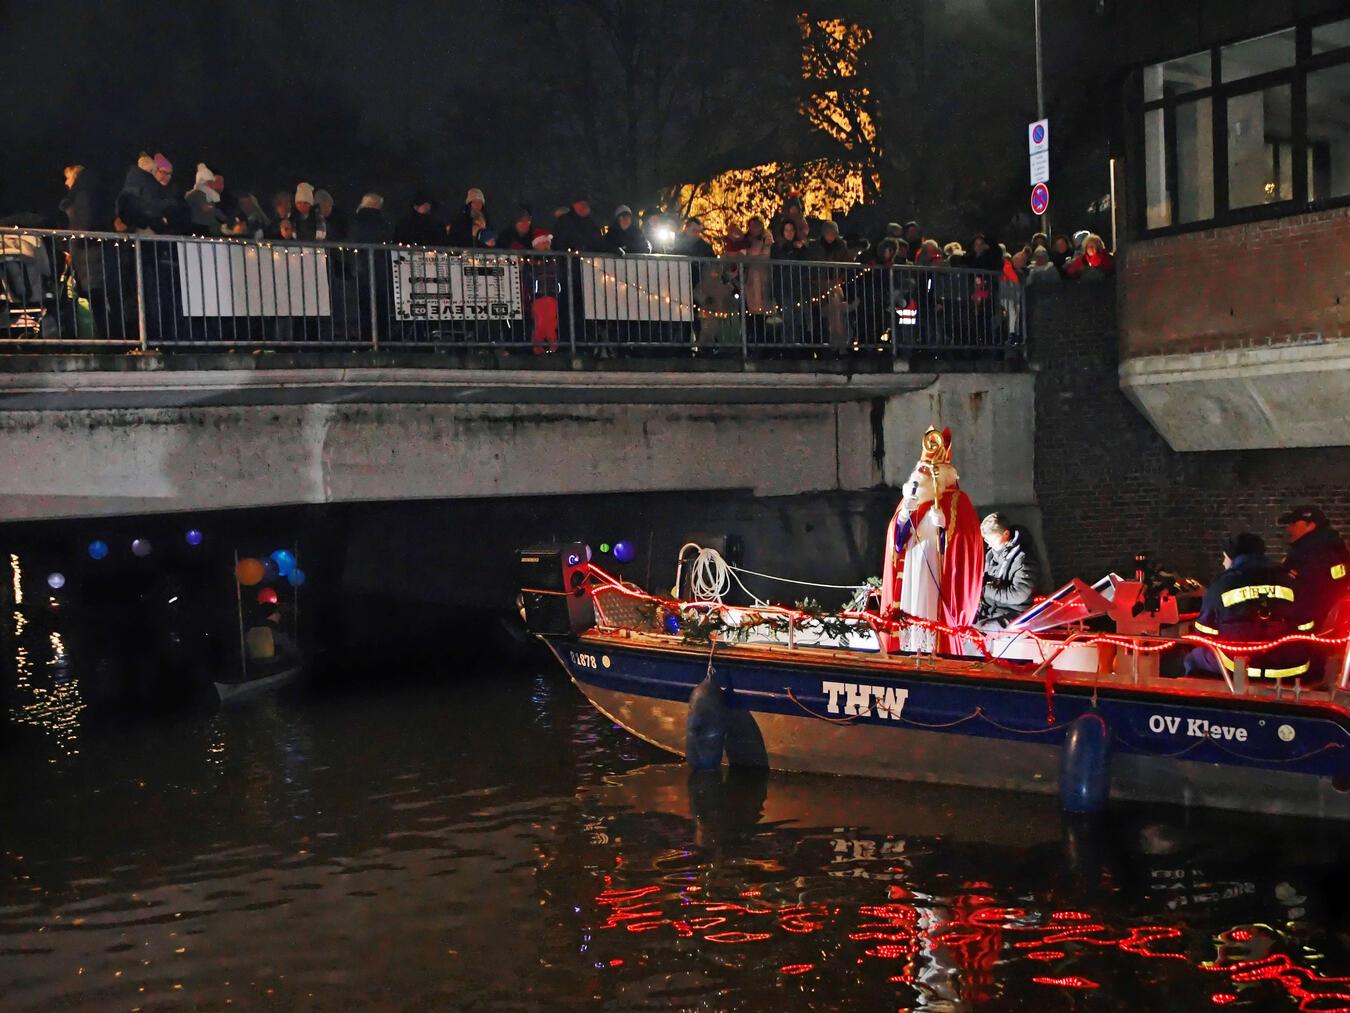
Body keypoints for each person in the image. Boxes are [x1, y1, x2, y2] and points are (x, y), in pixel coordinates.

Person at [880, 426, 984, 653]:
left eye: (929, 471)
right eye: (921, 470)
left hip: (936, 575)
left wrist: (945, 529)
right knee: (908, 616)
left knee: (930, 617)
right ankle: (907, 652)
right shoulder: (912, 500)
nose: (922, 476)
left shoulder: (959, 503)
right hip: (910, 573)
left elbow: (965, 547)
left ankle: (931, 653)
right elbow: (897, 544)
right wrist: (902, 519)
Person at [1184, 533, 1311, 682]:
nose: (1223, 563)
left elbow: (1204, 632)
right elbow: (1306, 626)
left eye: (1224, 558)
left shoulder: (1222, 584)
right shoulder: (1290, 580)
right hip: (1290, 666)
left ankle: (1196, 700)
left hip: (1238, 666)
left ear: (1232, 557)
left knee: (1192, 658)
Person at [1279, 506, 1350, 630]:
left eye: (1293, 523)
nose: (1289, 528)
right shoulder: (1334, 547)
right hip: (1335, 621)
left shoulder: (1306, 552)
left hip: (1309, 627)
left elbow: (1304, 591)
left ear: (1310, 525)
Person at [974, 513, 1038, 630]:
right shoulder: (990, 555)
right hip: (991, 610)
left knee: (980, 631)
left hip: (1015, 614)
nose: (989, 544)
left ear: (1006, 534)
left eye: (992, 540)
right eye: (986, 540)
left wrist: (986, 590)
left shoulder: (1023, 558)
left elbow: (1019, 594)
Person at [185, 163, 227, 235]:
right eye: (209, 182)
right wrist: (216, 211)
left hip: (208, 227)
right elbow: (206, 208)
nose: (211, 185)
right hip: (200, 228)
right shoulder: (197, 193)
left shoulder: (207, 194)